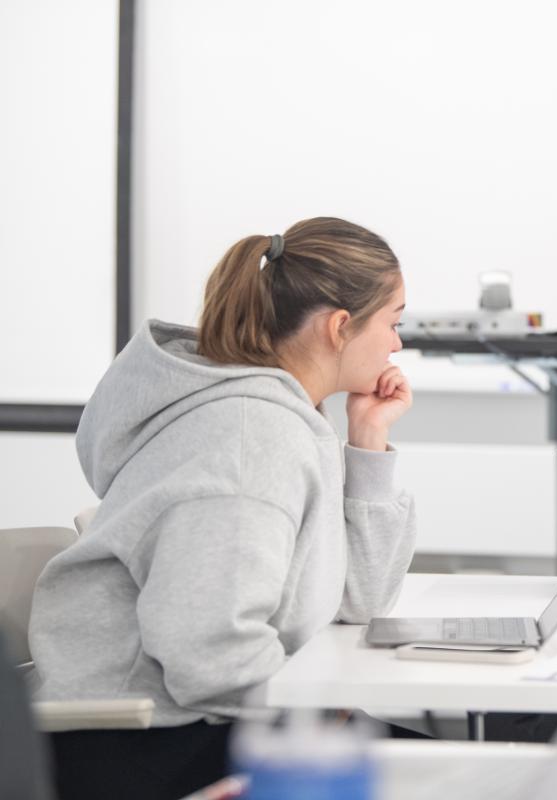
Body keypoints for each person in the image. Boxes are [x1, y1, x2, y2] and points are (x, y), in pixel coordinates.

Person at [29, 217, 419, 799]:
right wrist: (319, 716)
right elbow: (208, 652)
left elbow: (358, 599)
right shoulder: (248, 439)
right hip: (147, 748)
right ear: (340, 327)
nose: (397, 345)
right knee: (478, 775)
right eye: (394, 322)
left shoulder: (285, 420)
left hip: (205, 720)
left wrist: (367, 443)